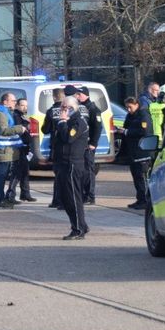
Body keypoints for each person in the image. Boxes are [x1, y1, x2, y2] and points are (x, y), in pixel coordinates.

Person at [53, 95, 91, 240]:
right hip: (62, 163)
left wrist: (62, 122)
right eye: (61, 107)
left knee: (73, 198)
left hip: (73, 164)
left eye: (64, 107)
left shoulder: (78, 122)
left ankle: (78, 229)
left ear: (72, 108)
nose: (61, 110)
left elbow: (69, 137)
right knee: (64, 198)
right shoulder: (65, 121)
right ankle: (81, 225)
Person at [0, 92, 25, 208]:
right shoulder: (1, 114)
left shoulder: (3, 111)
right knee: (1, 176)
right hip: (1, 149)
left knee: (3, 175)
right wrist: (20, 129)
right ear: (5, 102)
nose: (15, 103)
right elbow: (3, 131)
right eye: (13, 101)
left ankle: (4, 198)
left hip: (4, 149)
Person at [118, 97, 153, 209]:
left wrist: (127, 132)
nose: (128, 109)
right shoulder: (131, 115)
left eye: (130, 107)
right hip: (133, 152)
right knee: (136, 177)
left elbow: (145, 131)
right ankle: (140, 199)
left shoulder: (143, 115)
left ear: (136, 104)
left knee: (141, 177)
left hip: (142, 152)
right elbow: (126, 127)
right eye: (127, 107)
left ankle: (144, 201)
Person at [72, 85, 103, 205]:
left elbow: (97, 127)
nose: (77, 96)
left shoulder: (93, 109)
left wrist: (93, 143)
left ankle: (90, 195)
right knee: (82, 170)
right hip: (81, 145)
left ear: (86, 95)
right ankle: (84, 194)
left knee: (89, 170)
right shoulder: (80, 108)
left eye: (79, 94)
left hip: (89, 144)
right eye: (77, 94)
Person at [4, 97, 36, 204]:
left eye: (26, 105)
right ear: (17, 105)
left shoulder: (22, 116)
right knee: (17, 172)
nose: (25, 107)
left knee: (25, 171)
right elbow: (19, 131)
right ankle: (10, 195)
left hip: (25, 147)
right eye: (22, 105)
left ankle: (25, 194)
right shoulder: (16, 116)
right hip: (19, 146)